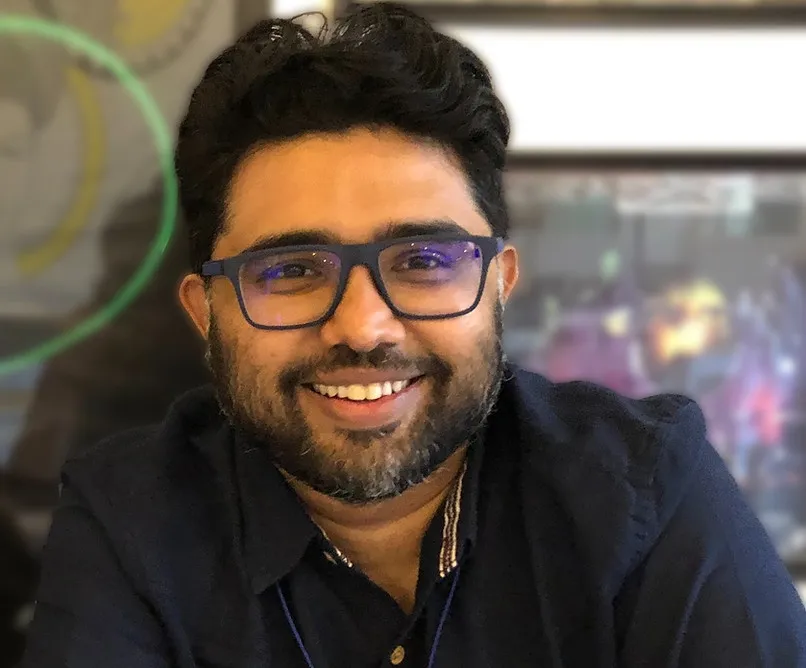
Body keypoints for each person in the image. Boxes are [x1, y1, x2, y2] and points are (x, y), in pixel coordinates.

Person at [21, 4, 806, 666]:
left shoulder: (645, 494)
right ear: (205, 311)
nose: (362, 326)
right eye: (292, 271)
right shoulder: (130, 524)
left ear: (498, 283)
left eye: (425, 260)